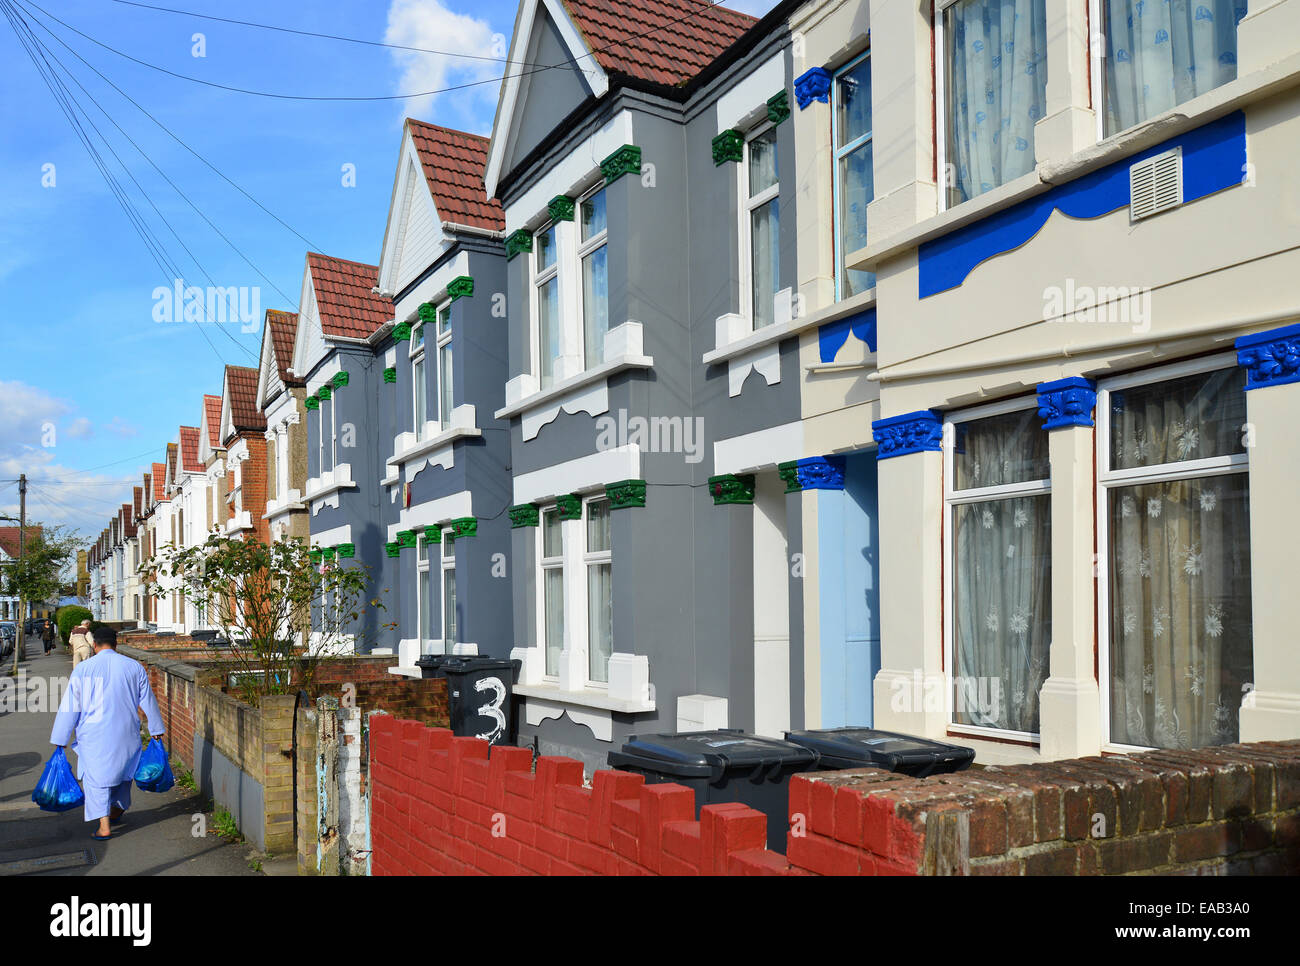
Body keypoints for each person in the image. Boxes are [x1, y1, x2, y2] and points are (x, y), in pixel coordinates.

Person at [49, 626, 165, 841]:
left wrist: (60, 739)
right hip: (127, 731)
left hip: (94, 734)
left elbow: (71, 706)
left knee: (96, 779)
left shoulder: (84, 670)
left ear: (94, 645)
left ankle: (104, 826)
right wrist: (156, 730)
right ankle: (116, 809)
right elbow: (147, 700)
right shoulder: (133, 667)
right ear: (116, 643)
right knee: (123, 773)